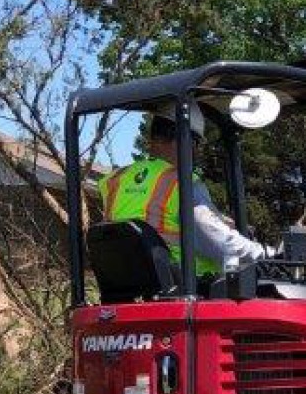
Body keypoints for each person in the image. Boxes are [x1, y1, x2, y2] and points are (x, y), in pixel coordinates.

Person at [99, 102, 277, 275]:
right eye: (197, 142)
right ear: (183, 139)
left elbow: (153, 216)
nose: (197, 151)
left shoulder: (115, 179)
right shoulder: (182, 181)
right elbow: (218, 241)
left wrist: (221, 221)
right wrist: (267, 254)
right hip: (186, 288)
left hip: (128, 290)